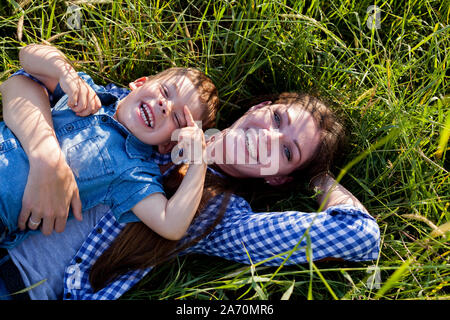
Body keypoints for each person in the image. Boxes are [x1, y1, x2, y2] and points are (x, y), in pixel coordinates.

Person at [0, 60, 380, 300]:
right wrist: (45, 154)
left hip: (16, 279)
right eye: (277, 119)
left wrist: (317, 179)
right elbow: (25, 79)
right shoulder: (157, 106)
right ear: (259, 108)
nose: (269, 137)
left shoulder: (222, 215)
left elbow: (358, 235)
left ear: (279, 179)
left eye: (287, 153)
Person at [0, 44, 219, 249]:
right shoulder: (86, 92)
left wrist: (198, 161)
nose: (165, 105)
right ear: (140, 82)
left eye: (178, 118)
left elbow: (172, 225)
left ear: (167, 144)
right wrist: (64, 72)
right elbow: (27, 56)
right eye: (165, 91)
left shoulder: (133, 171)